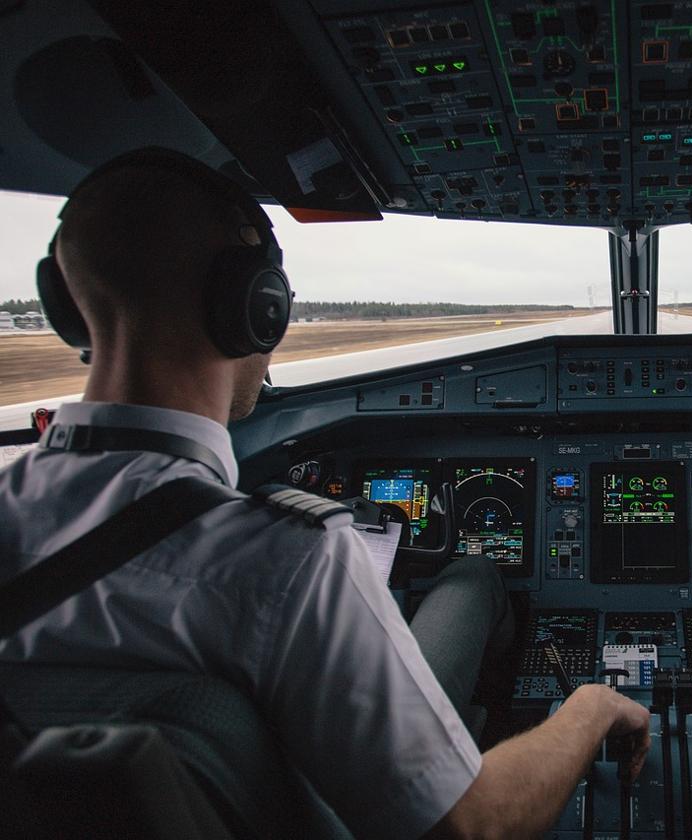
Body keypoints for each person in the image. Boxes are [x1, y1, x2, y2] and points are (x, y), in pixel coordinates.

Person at [0, 149, 650, 839]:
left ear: (68, 307)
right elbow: (472, 827)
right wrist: (592, 706)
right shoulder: (285, 559)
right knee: (471, 576)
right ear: (255, 305)